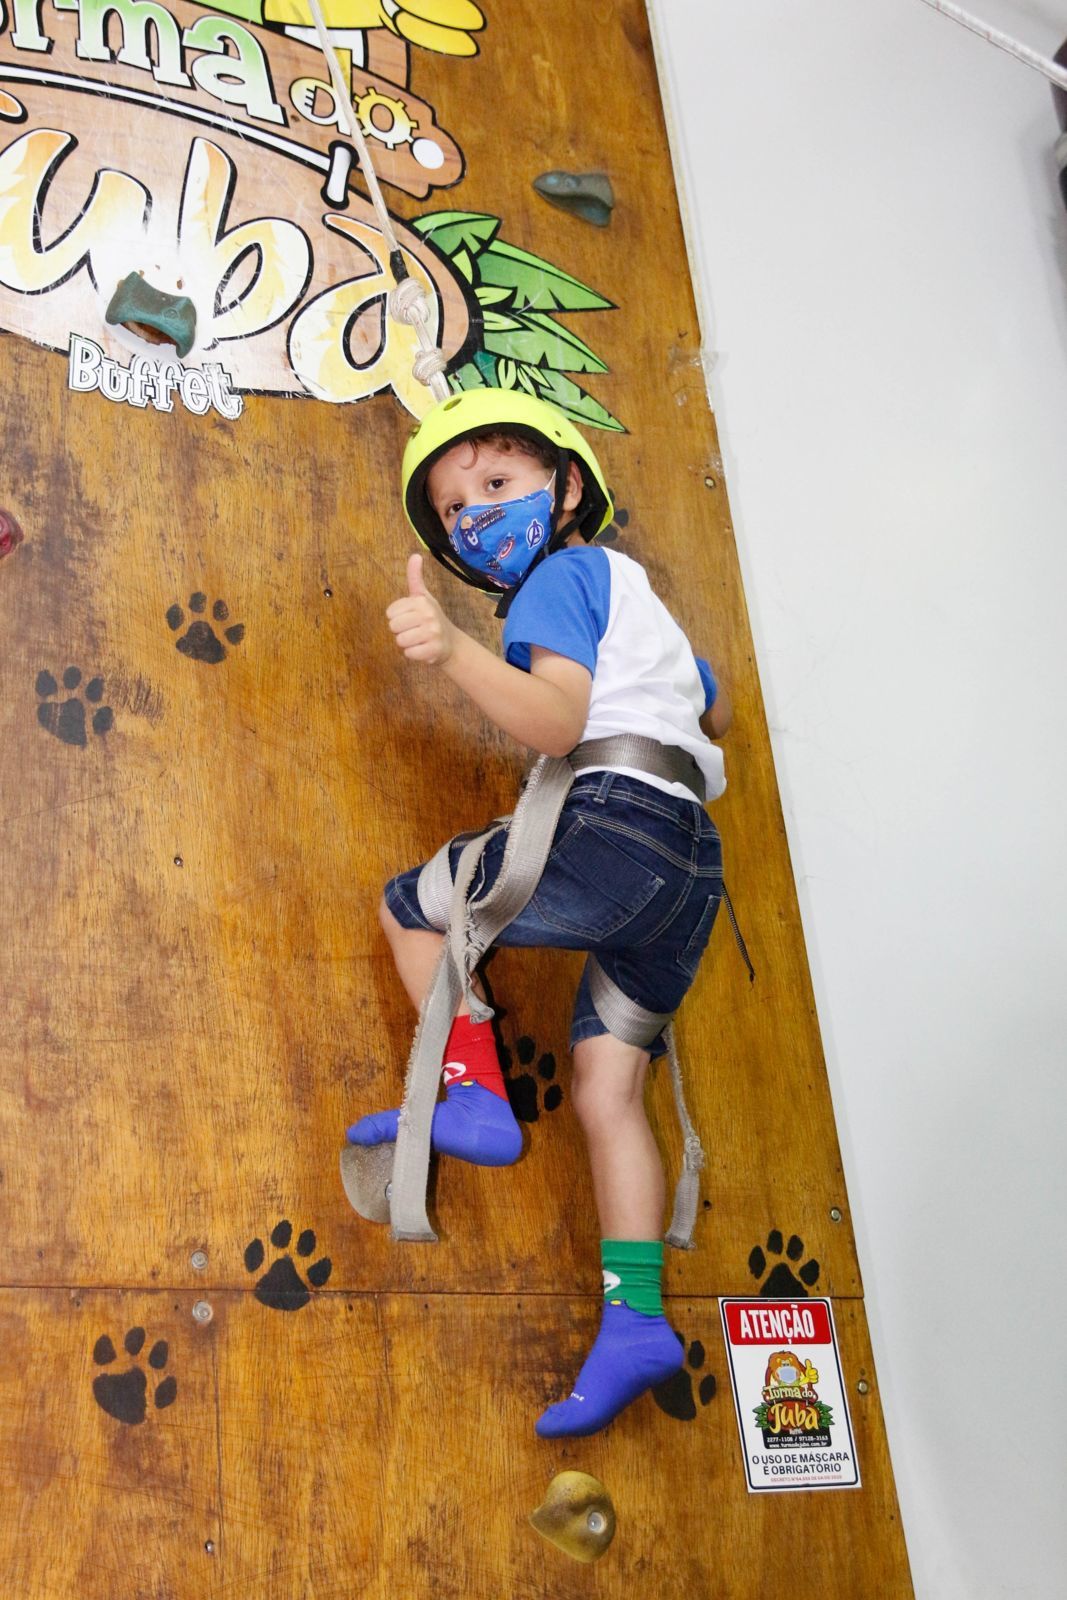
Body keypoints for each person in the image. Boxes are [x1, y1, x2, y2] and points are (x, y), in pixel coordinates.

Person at [346, 388, 731, 1437]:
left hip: (613, 824)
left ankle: (471, 1097)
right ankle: (635, 1318)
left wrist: (455, 650)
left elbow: (558, 725)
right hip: (690, 868)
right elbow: (702, 693)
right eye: (458, 507)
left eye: (497, 483)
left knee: (412, 907)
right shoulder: (627, 591)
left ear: (566, 486)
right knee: (609, 1089)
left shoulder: (556, 579)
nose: (476, 514)